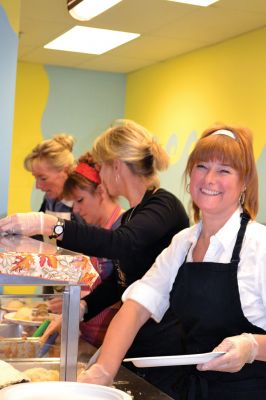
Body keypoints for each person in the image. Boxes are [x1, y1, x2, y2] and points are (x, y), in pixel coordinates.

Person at [0, 120, 189, 396]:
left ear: (117, 164)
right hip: (133, 343)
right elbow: (122, 281)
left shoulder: (164, 205)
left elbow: (120, 244)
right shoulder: (133, 215)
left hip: (162, 347)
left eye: (100, 165)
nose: (98, 172)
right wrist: (84, 307)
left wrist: (48, 224)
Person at [76, 125, 266, 400]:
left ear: (245, 181)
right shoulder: (183, 243)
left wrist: (252, 347)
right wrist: (104, 370)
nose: (209, 179)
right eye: (201, 167)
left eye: (224, 170)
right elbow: (136, 308)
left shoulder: (259, 246)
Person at [48, 151, 124, 347]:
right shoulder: (93, 230)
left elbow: (128, 289)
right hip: (87, 334)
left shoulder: (124, 230)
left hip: (111, 339)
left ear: (101, 192)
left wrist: (83, 301)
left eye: (80, 200)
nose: (75, 210)